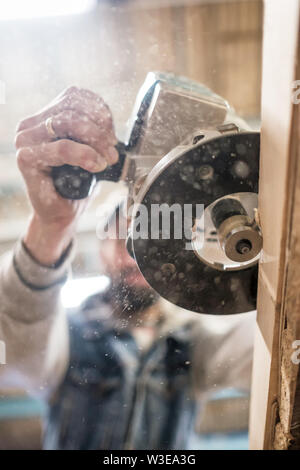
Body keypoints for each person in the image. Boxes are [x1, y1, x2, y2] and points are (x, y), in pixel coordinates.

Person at [0, 87, 255, 450]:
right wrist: (50, 227)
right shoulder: (66, 335)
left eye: (152, 242)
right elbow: (14, 345)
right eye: (123, 242)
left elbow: (271, 348)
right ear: (101, 249)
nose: (134, 257)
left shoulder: (195, 342)